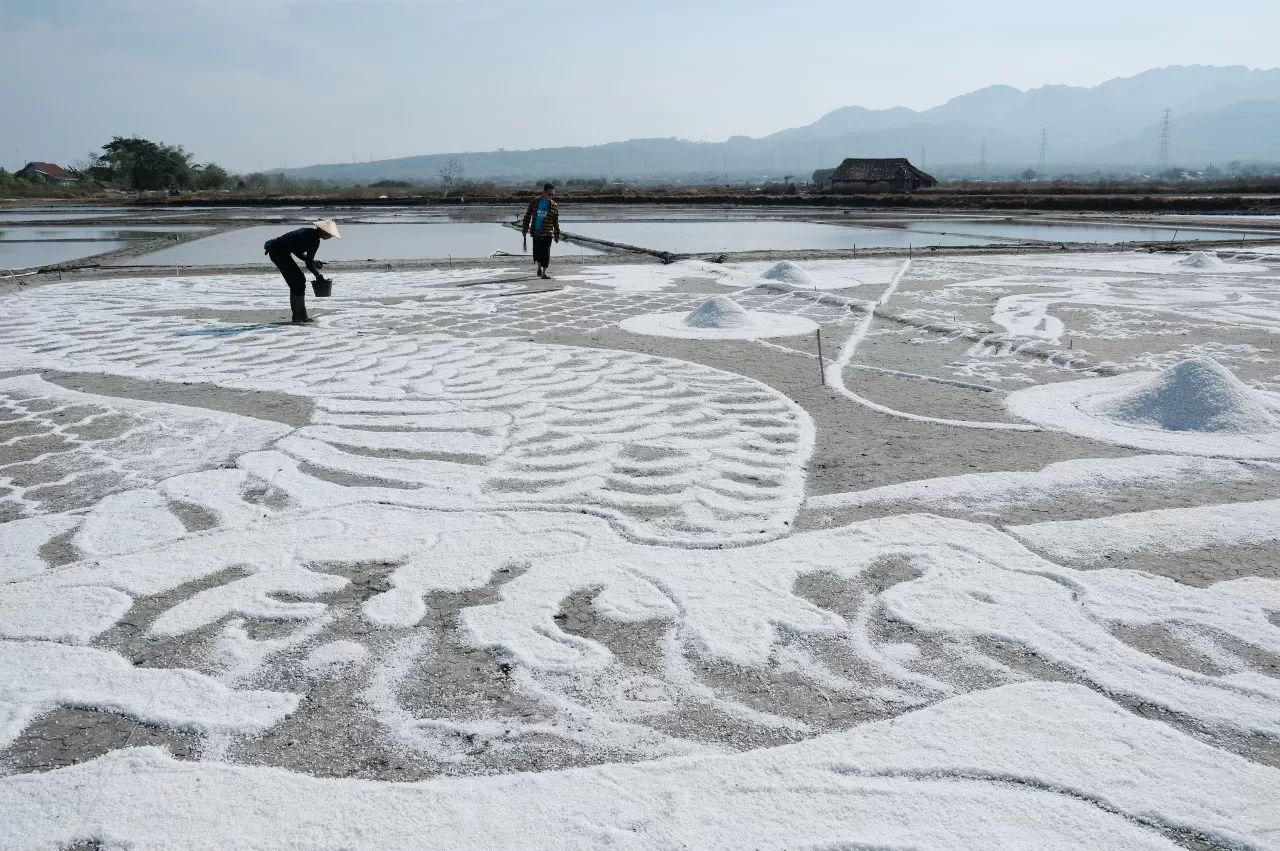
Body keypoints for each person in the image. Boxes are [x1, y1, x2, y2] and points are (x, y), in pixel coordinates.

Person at [263, 219, 339, 324]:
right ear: (322, 230)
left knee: (297, 282)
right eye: (329, 234)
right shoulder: (314, 240)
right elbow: (308, 263)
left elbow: (297, 251)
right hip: (278, 253)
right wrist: (318, 275)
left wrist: (313, 261)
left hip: (277, 251)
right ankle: (301, 316)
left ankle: (298, 315)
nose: (330, 236)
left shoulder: (308, 232)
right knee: (298, 281)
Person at [521, 183, 561, 279]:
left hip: (548, 232)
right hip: (536, 231)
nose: (550, 196)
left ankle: (544, 273)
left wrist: (557, 233)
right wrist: (525, 228)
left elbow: (556, 221)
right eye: (549, 194)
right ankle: (539, 267)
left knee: (546, 252)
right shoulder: (534, 202)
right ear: (543, 192)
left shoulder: (554, 205)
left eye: (552, 194)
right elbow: (527, 216)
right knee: (537, 252)